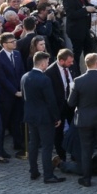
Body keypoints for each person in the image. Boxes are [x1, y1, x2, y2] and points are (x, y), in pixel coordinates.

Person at [68, 53, 97, 187]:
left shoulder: (78, 81)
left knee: (86, 149)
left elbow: (71, 103)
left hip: (84, 120)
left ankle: (86, 178)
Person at [21, 51, 65, 183]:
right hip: (44, 118)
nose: (48, 64)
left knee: (33, 144)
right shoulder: (44, 79)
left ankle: (33, 171)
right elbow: (51, 101)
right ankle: (48, 175)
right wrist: (56, 117)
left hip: (30, 115)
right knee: (47, 146)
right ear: (42, 63)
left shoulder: (25, 77)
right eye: (47, 62)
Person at [63, 0, 97, 68]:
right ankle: (75, 73)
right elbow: (71, 14)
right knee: (77, 53)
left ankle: (90, 69)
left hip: (85, 27)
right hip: (76, 30)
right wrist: (86, 10)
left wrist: (95, 7)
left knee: (89, 49)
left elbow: (86, 4)